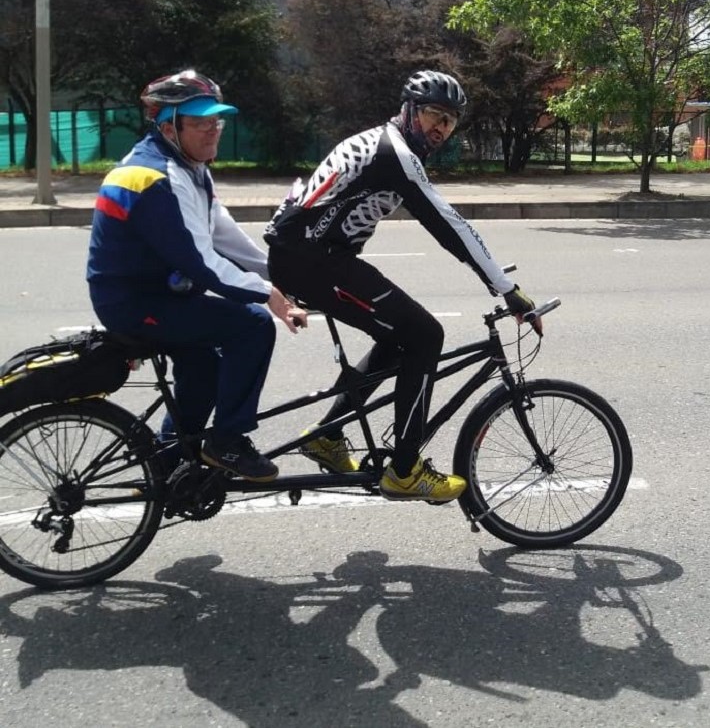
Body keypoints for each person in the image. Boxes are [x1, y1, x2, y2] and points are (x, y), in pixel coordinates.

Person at [264, 69, 540, 502]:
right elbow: (448, 224)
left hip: (313, 259)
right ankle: (406, 469)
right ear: (409, 110)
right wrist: (505, 288)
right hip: (311, 262)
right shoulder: (393, 152)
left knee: (400, 337)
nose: (441, 128)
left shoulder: (389, 145)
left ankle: (327, 436)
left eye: (450, 121)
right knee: (426, 335)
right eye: (434, 115)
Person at [87, 69, 306, 482]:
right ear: (169, 126)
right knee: (252, 325)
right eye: (201, 122)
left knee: (204, 362)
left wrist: (280, 275)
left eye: (216, 121)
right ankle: (228, 441)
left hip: (160, 296)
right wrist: (268, 297)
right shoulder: (154, 177)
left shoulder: (188, 167)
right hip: (136, 304)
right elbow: (201, 262)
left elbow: (223, 234)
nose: (213, 131)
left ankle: (168, 462)